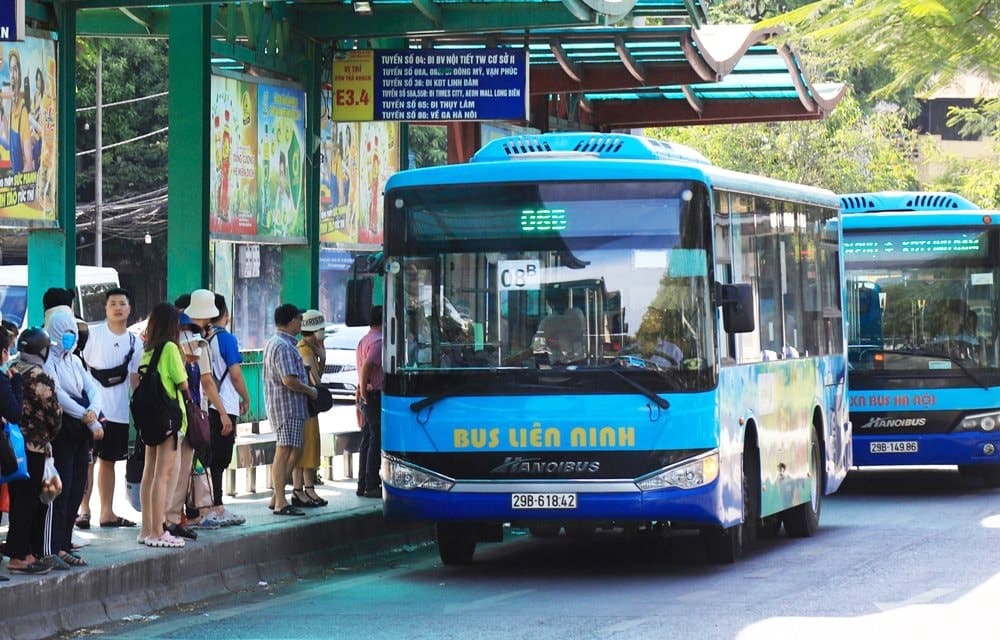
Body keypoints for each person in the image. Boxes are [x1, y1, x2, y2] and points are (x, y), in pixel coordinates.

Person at [44, 308, 103, 567]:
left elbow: (93, 390)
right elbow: (59, 396)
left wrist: (93, 412)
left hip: (80, 432)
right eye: (65, 331)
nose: (70, 336)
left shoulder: (75, 361)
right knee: (62, 488)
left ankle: (65, 543)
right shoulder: (50, 361)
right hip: (63, 432)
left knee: (78, 485)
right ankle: (54, 546)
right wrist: (86, 416)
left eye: (73, 331)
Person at [79, 288, 142, 530]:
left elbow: (134, 381)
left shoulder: (135, 343)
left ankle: (107, 512)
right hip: (92, 411)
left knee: (109, 462)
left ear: (129, 309)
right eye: (112, 303)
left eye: (122, 303)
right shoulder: (92, 336)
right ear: (105, 309)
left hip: (118, 412)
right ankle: (84, 510)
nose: (117, 307)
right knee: (88, 460)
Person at [187, 291, 248, 528]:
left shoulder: (201, 337)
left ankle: (208, 506)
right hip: (223, 405)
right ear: (225, 314)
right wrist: (246, 397)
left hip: (203, 406)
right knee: (219, 459)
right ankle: (215, 506)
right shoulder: (227, 339)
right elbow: (235, 374)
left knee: (205, 459)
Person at [5, 328, 61, 575]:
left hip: (10, 446)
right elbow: (55, 415)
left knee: (18, 500)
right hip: (33, 448)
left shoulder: (10, 368)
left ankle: (20, 551)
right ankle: (21, 556)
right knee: (29, 502)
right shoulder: (40, 376)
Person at [137, 302, 189, 549]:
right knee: (163, 475)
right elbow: (182, 383)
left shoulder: (149, 350)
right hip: (168, 420)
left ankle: (146, 529)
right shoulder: (169, 348)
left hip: (150, 420)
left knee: (149, 473)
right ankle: (159, 530)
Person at [263, 303, 317, 516]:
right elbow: (289, 380)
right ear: (290, 321)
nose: (301, 323)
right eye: (298, 319)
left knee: (293, 449)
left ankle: (277, 497)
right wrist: (310, 390)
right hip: (287, 405)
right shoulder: (284, 346)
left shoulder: (276, 343)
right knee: (284, 451)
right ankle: (280, 502)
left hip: (285, 405)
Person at [292, 309, 328, 508]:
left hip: (308, 407)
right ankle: (301, 489)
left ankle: (307, 487)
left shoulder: (308, 349)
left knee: (309, 447)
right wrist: (323, 358)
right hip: (306, 406)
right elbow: (315, 380)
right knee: (305, 448)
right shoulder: (305, 350)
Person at [356, 306, 383, 498]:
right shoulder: (379, 341)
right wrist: (365, 390)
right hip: (374, 395)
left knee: (367, 439)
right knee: (376, 439)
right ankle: (372, 483)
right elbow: (367, 367)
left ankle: (363, 483)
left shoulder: (365, 339)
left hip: (366, 395)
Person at [535, 288, 586, 365]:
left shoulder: (548, 321)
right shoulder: (578, 313)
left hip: (559, 370)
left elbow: (537, 347)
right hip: (581, 365)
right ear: (567, 299)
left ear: (549, 303)